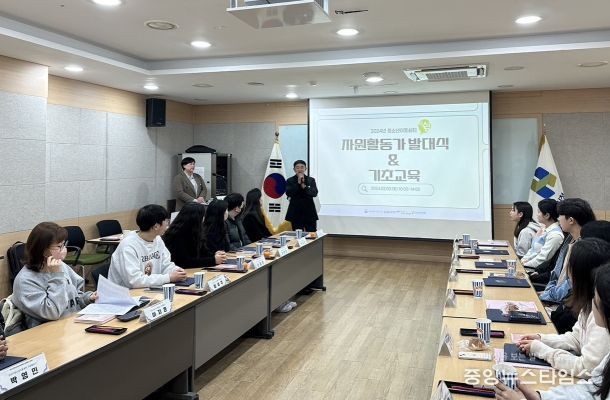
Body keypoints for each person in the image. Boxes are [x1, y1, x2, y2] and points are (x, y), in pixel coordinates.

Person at [495, 262, 610, 400]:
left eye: (596, 298)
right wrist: (541, 397)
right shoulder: (589, 311)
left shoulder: (602, 330)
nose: (593, 301)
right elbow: (593, 389)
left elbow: (587, 370)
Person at [518, 238, 610, 378]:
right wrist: (542, 339)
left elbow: (586, 368)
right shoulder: (588, 302)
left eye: (569, 265)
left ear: (579, 272)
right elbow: (576, 339)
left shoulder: (602, 314)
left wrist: (542, 350)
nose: (567, 270)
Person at [12, 222, 97, 329]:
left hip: (72, 325)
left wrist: (88, 298)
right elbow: (52, 313)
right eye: (59, 246)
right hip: (47, 333)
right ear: (43, 250)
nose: (64, 249)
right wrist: (56, 276)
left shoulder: (61, 266)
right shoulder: (25, 281)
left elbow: (74, 297)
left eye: (64, 244)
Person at [108, 204, 187, 288]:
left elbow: (165, 265)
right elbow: (134, 281)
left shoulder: (157, 239)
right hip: (125, 293)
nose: (168, 225)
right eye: (166, 221)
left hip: (147, 289)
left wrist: (176, 271)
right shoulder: (128, 246)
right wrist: (168, 277)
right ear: (156, 226)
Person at [540, 198, 597, 303]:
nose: (558, 219)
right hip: (554, 296)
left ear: (571, 220)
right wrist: (547, 293)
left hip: (567, 303)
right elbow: (555, 273)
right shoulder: (569, 238)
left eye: (560, 216)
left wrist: (546, 295)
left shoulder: (585, 248)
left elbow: (571, 285)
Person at [162, 203, 227, 268]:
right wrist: (213, 260)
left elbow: (203, 253)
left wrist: (215, 255)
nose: (204, 219)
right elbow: (184, 262)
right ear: (196, 218)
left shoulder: (196, 232)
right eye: (203, 216)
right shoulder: (177, 235)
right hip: (181, 270)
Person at [521, 199, 564, 268]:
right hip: (527, 266)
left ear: (547, 215)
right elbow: (532, 250)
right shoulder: (544, 229)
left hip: (535, 270)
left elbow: (542, 259)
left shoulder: (555, 235)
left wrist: (523, 265)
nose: (537, 214)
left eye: (539, 212)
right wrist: (522, 261)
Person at [285, 160, 318, 232]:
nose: (300, 169)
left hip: (309, 212)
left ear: (305, 169)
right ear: (294, 169)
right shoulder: (290, 180)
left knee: (312, 234)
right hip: (295, 212)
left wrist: (304, 186)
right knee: (297, 234)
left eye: (302, 167)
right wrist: (298, 183)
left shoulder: (311, 180)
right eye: (297, 167)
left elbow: (314, 193)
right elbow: (288, 193)